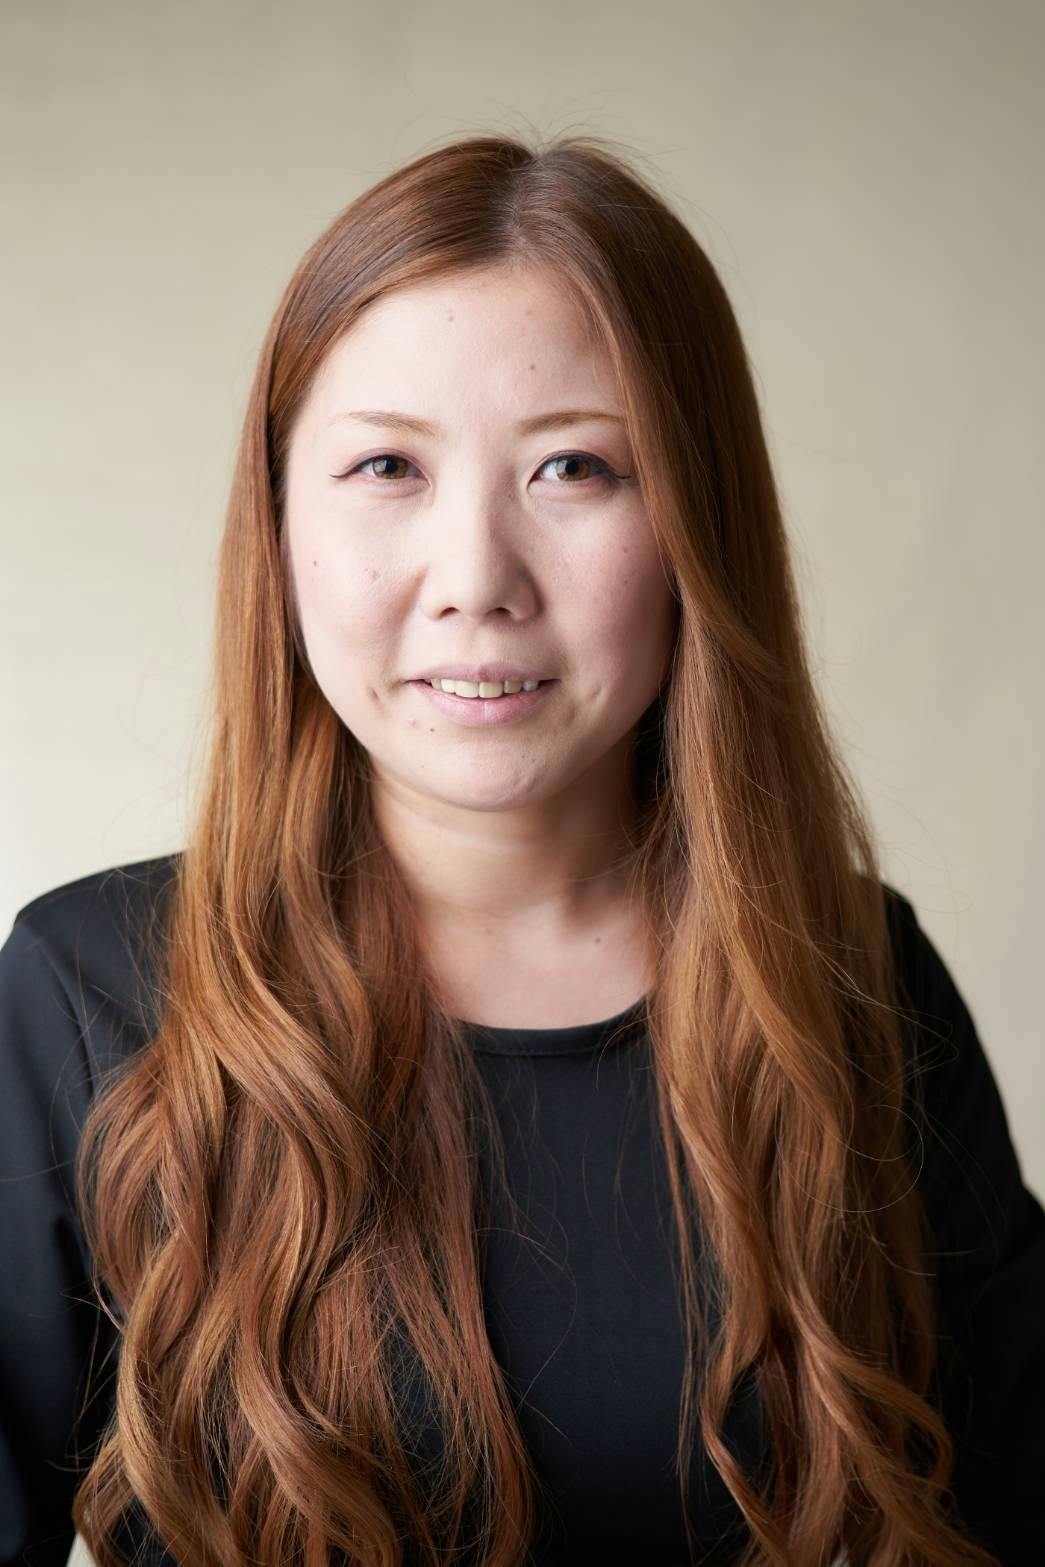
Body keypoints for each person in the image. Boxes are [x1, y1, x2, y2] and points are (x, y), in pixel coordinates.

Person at [2, 132, 1042, 1567]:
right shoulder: (88, 992)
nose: (476, 580)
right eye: (386, 465)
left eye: (574, 467)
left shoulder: (855, 977)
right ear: (281, 520)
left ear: (696, 523)